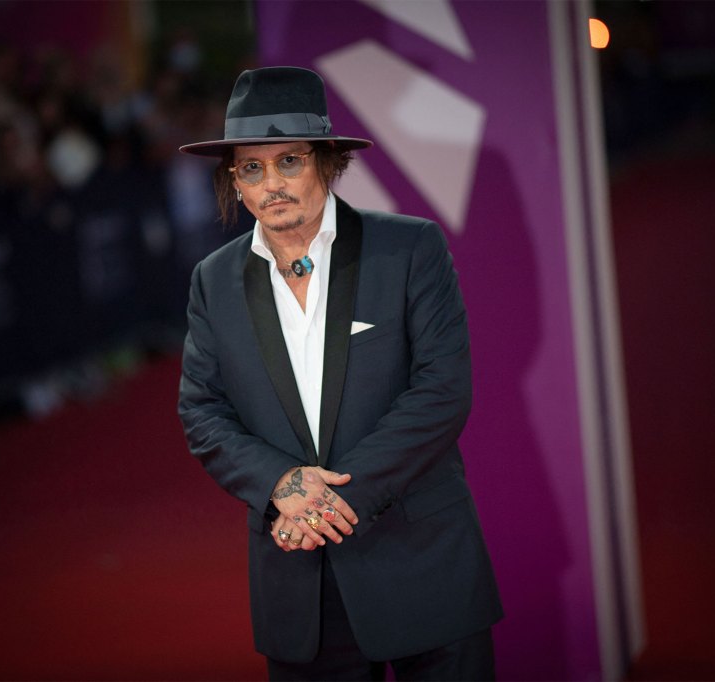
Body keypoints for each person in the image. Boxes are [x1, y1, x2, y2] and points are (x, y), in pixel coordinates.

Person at [177, 66, 502, 681]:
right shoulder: (212, 282)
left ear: (328, 162)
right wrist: (281, 484)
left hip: (422, 564)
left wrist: (329, 502)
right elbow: (201, 411)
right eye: (251, 167)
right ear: (235, 181)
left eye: (289, 161)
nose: (271, 184)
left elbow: (441, 392)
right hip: (301, 590)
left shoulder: (409, 250)